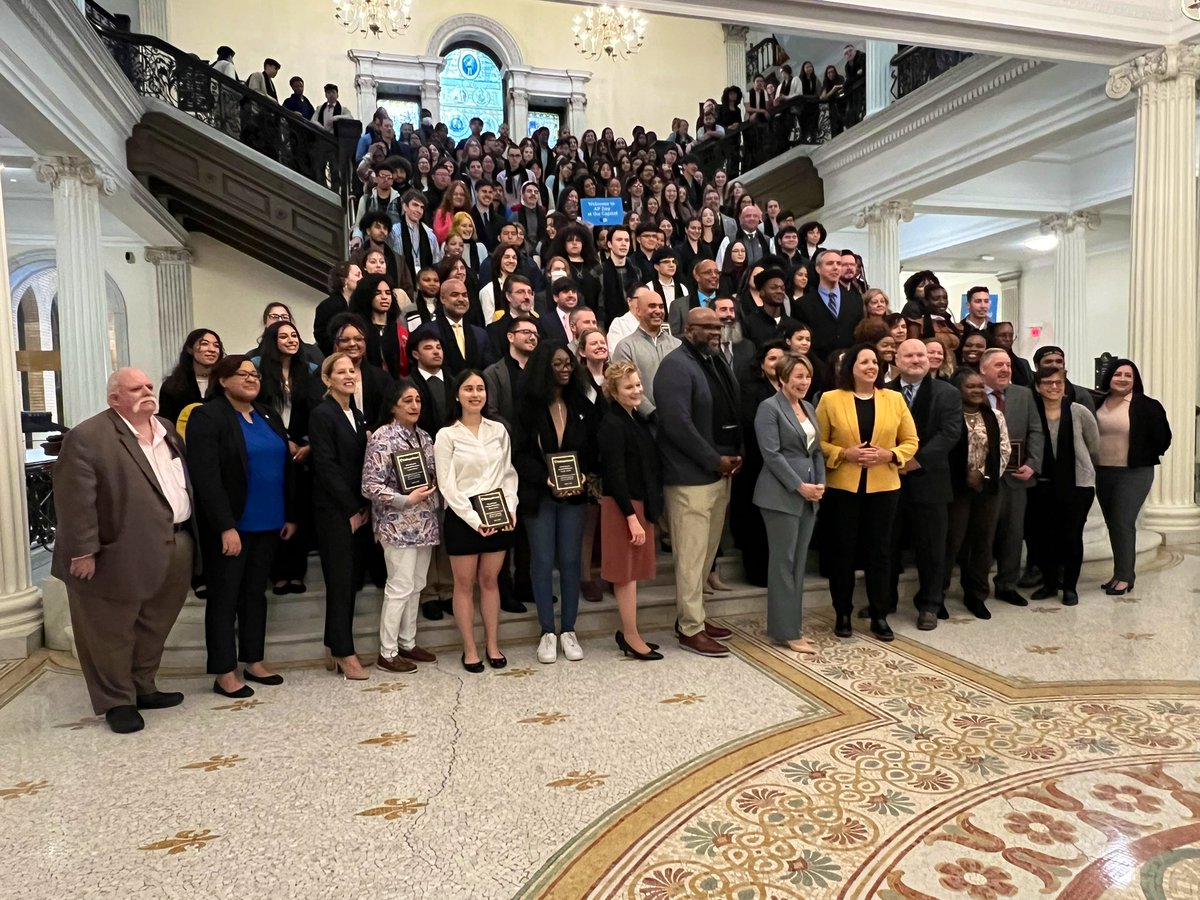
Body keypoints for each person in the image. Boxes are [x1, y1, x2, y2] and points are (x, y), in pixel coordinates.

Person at [51, 368, 195, 734]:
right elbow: (74, 500)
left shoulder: (166, 429)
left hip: (174, 542)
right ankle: (117, 701)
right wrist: (83, 551)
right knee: (110, 629)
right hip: (116, 550)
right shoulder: (89, 437)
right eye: (136, 388)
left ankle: (143, 686)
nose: (147, 391)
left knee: (155, 622)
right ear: (114, 399)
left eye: (148, 386)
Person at [186, 355, 295, 698]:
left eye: (255, 374)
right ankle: (223, 671)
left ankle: (253, 660)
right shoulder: (208, 416)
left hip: (269, 521)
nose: (251, 379)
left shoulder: (267, 414)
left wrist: (290, 515)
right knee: (225, 597)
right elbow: (206, 477)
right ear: (223, 380)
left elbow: (285, 466)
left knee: (255, 595)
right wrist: (224, 526)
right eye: (242, 374)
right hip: (233, 525)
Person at [654, 308, 743, 658]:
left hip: (720, 472)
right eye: (707, 327)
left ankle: (697, 618)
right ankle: (690, 628)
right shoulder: (675, 366)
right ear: (687, 329)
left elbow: (732, 411)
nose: (715, 332)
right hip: (690, 476)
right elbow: (678, 425)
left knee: (706, 554)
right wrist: (713, 459)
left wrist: (736, 453)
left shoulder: (714, 361)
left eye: (718, 327)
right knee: (691, 558)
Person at [816, 344, 918, 642]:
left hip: (884, 488)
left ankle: (880, 614)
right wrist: (843, 453)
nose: (871, 366)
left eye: (875, 362)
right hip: (842, 487)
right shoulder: (831, 400)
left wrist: (891, 455)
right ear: (852, 368)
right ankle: (843, 613)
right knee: (843, 552)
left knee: (881, 553)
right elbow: (817, 443)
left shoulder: (894, 399)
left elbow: (911, 440)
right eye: (864, 362)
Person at [514, 343, 596, 664]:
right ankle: (547, 630)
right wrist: (543, 477)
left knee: (572, 561)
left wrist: (585, 475)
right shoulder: (527, 408)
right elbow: (519, 454)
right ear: (543, 367)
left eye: (569, 363)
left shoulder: (582, 405)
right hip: (540, 495)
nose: (565, 368)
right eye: (557, 363)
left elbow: (590, 449)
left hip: (574, 496)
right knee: (543, 561)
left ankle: (569, 629)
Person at [434, 370, 519, 672]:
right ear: (457, 395)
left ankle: (492, 644)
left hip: (497, 511)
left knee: (490, 581)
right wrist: (472, 518)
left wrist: (510, 507)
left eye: (480, 389)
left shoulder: (498, 430)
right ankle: (469, 648)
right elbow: (447, 485)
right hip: (462, 515)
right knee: (464, 583)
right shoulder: (447, 435)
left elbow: (508, 474)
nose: (475, 394)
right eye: (468, 389)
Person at [361, 380, 441, 672]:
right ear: (393, 405)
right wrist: (404, 499)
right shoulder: (383, 437)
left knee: (417, 585)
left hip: (425, 522)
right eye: (407, 400)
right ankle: (388, 651)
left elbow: (433, 475)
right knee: (399, 587)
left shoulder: (424, 437)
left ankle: (408, 642)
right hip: (397, 524)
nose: (414, 405)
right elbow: (370, 485)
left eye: (417, 400)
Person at [885, 339, 962, 630]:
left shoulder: (948, 393)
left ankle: (930, 604)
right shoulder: (884, 392)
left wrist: (914, 461)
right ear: (897, 359)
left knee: (932, 548)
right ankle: (885, 599)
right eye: (909, 354)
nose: (916, 359)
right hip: (888, 478)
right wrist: (894, 459)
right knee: (886, 544)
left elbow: (949, 433)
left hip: (930, 479)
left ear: (931, 360)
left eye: (920, 354)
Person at [753, 353, 825, 653]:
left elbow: (816, 450)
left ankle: (793, 625)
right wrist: (799, 486)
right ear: (783, 378)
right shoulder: (768, 408)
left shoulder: (808, 407)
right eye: (797, 376)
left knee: (798, 565)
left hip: (810, 495)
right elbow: (771, 455)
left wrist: (821, 483)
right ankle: (785, 631)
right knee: (784, 564)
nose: (804, 382)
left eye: (807, 376)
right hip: (781, 495)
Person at [309, 352, 372, 681]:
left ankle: (334, 646)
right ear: (327, 378)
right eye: (341, 371)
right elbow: (327, 466)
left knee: (351, 582)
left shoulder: (357, 414)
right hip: (335, 510)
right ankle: (345, 653)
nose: (349, 375)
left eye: (352, 370)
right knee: (340, 581)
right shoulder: (323, 414)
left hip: (358, 508)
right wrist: (350, 509)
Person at [597, 362, 663, 660]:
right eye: (629, 387)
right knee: (624, 575)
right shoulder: (612, 423)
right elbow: (615, 474)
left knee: (632, 574)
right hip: (623, 507)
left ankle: (632, 631)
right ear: (614, 391)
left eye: (638, 384)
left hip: (637, 503)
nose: (637, 390)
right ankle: (630, 635)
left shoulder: (634, 417)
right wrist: (631, 519)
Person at [252, 321, 320, 595]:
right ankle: (278, 573)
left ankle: (296, 572)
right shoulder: (260, 372)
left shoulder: (309, 372)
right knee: (276, 505)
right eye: (284, 336)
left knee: (299, 506)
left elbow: (316, 412)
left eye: (294, 335)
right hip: (272, 443)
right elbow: (257, 409)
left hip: (302, 446)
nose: (291, 340)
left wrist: (307, 444)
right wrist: (283, 441)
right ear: (272, 340)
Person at [1094, 359, 1171, 595]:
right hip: (1102, 471)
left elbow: (1163, 438)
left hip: (1134, 472)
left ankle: (1126, 577)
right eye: (1118, 374)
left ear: (1135, 379)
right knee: (1112, 524)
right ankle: (1119, 573)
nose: (1123, 379)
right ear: (1109, 377)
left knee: (1123, 522)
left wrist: (1144, 453)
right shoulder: (1099, 401)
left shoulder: (1146, 405)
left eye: (1128, 375)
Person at [1026, 366, 1100, 606]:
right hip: (1042, 485)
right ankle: (1049, 583)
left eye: (1058, 382)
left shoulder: (1078, 411)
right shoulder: (1033, 411)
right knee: (1044, 537)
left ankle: (1069, 587)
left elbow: (1093, 445)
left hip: (1077, 484)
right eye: (1047, 383)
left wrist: (1081, 467)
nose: (1054, 387)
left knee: (1071, 536)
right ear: (1038, 387)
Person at [979, 348, 1044, 606]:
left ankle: (1007, 584)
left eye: (1007, 364)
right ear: (983, 369)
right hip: (982, 479)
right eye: (998, 365)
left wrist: (1033, 463)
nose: (1005, 369)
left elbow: (1036, 431)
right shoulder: (972, 394)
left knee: (1013, 534)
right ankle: (977, 587)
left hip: (1016, 478)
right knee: (983, 535)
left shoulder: (1023, 394)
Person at [945, 370, 1011, 619]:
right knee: (951, 541)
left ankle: (976, 594)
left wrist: (982, 475)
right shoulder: (950, 414)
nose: (977, 390)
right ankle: (937, 594)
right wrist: (964, 474)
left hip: (988, 488)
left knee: (983, 542)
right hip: (955, 488)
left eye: (980, 386)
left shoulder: (995, 416)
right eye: (970, 386)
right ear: (958, 390)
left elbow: (1004, 450)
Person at [733, 340, 787, 588]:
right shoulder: (751, 389)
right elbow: (751, 424)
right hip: (758, 463)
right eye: (772, 359)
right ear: (762, 364)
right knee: (756, 521)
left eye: (782, 358)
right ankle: (757, 572)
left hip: (788, 464)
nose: (777, 363)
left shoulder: (794, 387)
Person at [610, 286, 680, 415]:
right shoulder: (626, 346)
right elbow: (626, 386)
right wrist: (651, 413)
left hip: (678, 417)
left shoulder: (677, 345)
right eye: (652, 306)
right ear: (638, 311)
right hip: (644, 422)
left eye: (661, 306)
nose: (658, 311)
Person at [327, 312, 395, 427]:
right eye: (345, 340)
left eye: (358, 339)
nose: (353, 344)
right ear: (335, 343)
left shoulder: (382, 378)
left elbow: (389, 416)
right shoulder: (321, 377)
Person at [795, 249, 863, 363]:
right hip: (818, 368)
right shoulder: (803, 304)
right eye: (830, 263)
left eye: (839, 263)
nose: (835, 267)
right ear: (818, 268)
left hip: (849, 367)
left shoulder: (856, 300)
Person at [159, 329, 224, 424]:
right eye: (205, 344)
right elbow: (166, 423)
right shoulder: (173, 385)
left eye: (216, 345)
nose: (212, 350)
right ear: (190, 349)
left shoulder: (225, 382)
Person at [314, 262, 363, 357]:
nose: (362, 278)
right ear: (344, 280)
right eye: (357, 275)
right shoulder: (327, 305)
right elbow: (322, 336)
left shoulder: (359, 305)